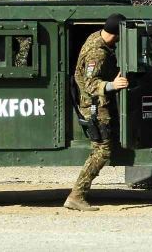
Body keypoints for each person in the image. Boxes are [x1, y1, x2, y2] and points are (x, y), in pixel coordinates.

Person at [64, 13, 129, 212]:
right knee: (102, 150)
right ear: (116, 34)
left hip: (98, 102)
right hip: (94, 105)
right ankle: (77, 195)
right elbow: (91, 84)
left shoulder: (97, 38)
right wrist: (112, 85)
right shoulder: (97, 52)